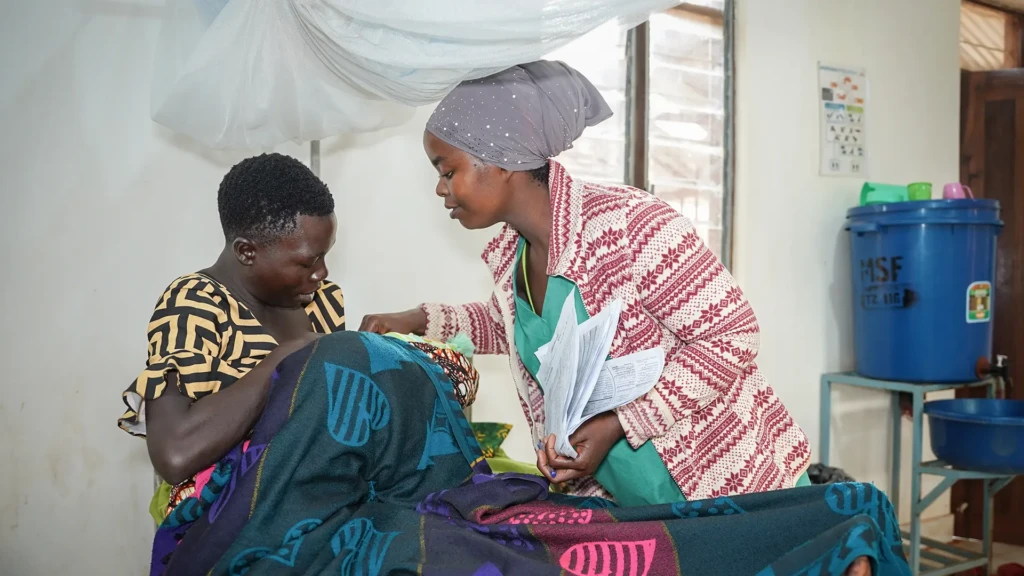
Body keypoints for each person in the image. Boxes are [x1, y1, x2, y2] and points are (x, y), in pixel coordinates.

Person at [361, 61, 812, 505]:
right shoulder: (513, 254)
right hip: (636, 497)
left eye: (447, 170)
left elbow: (732, 335)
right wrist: (418, 319)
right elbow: (521, 330)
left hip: (734, 480)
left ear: (500, 160)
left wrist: (621, 422)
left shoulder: (630, 225)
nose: (440, 190)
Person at [118, 153, 348, 521]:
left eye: (325, 256)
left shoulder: (321, 303)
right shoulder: (194, 304)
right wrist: (283, 357)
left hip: (308, 509)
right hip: (219, 522)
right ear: (246, 251)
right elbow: (175, 454)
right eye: (307, 262)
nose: (322, 273)